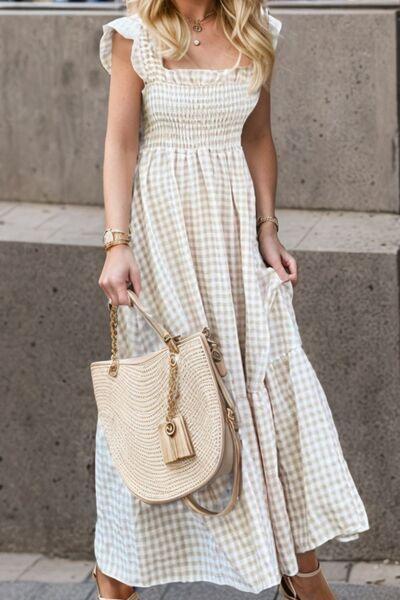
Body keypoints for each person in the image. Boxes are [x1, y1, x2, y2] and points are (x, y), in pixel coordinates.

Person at [94, 1, 369, 599]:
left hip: (234, 241)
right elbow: (120, 146)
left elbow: (259, 137)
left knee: (266, 393)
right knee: (161, 400)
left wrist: (268, 229)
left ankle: (301, 572)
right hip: (162, 237)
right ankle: (116, 576)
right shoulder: (134, 36)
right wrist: (117, 244)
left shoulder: (257, 31)